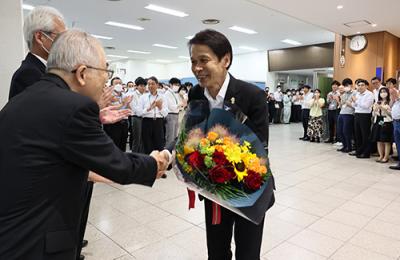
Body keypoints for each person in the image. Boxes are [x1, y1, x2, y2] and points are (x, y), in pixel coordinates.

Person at [0, 29, 170, 260]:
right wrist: (154, 162)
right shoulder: (73, 106)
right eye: (105, 73)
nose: (106, 82)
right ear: (82, 73)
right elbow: (119, 165)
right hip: (36, 241)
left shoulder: (23, 98)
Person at [187, 29, 274, 260]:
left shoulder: (251, 95)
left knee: (247, 253)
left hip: (249, 187)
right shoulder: (196, 93)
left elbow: (259, 145)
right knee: (216, 252)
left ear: (225, 60)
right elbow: (190, 134)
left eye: (204, 60)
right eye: (193, 61)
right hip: (214, 190)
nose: (197, 68)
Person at [9, 6, 66, 99]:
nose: (64, 42)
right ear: (40, 37)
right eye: (60, 36)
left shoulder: (46, 69)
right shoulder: (27, 75)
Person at [137, 76, 168, 154]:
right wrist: (149, 108)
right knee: (147, 144)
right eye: (149, 84)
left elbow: (165, 113)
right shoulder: (143, 97)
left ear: (157, 85)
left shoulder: (163, 97)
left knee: (159, 144)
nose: (150, 86)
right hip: (147, 122)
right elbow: (139, 112)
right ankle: (148, 163)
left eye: (153, 84)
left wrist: (160, 107)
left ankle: (159, 163)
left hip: (158, 122)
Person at [103, 77, 131, 151]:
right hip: (113, 124)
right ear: (112, 85)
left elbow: (129, 109)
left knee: (122, 145)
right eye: (116, 83)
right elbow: (110, 108)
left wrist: (128, 103)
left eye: (120, 83)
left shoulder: (124, 95)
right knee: (113, 146)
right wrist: (123, 103)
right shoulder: (108, 95)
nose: (119, 85)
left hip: (124, 122)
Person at [350, 79, 374, 158]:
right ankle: (359, 150)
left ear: (366, 86)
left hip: (365, 115)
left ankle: (366, 153)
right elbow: (354, 105)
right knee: (358, 134)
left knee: (365, 135)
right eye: (359, 85)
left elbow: (366, 106)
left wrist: (356, 101)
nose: (360, 87)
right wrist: (353, 102)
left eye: (362, 85)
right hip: (357, 114)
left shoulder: (369, 94)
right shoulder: (357, 94)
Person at [371, 87, 393, 163]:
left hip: (386, 121)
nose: (383, 93)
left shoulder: (390, 101)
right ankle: (380, 155)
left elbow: (391, 114)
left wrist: (382, 108)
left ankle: (386, 157)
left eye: (384, 91)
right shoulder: (378, 101)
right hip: (378, 120)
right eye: (381, 92)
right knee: (379, 139)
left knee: (386, 140)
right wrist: (374, 110)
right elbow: (374, 114)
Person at [337, 79, 355, 153]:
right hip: (341, 113)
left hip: (349, 114)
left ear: (351, 85)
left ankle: (349, 147)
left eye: (347, 85)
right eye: (344, 86)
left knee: (346, 131)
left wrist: (348, 103)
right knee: (340, 131)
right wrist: (341, 101)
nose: (346, 87)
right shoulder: (344, 94)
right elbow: (341, 105)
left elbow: (355, 105)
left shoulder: (355, 93)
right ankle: (344, 146)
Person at [128, 77, 146, 153]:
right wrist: (145, 111)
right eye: (141, 86)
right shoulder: (133, 95)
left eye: (144, 86)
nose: (143, 88)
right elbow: (135, 109)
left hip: (144, 118)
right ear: (136, 86)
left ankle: (141, 156)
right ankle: (134, 156)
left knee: (143, 139)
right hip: (136, 118)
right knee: (137, 139)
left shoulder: (145, 95)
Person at [164, 77, 183, 147]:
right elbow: (172, 107)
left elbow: (180, 105)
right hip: (170, 115)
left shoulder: (175, 93)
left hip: (176, 114)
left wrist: (180, 104)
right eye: (175, 84)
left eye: (178, 85)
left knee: (175, 135)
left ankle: (172, 151)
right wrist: (180, 104)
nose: (177, 86)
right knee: (170, 136)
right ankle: (167, 152)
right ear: (170, 84)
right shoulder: (167, 93)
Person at [389, 90, 400, 170]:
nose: (392, 95)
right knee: (398, 143)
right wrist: (393, 99)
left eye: (394, 93)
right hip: (395, 122)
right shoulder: (395, 101)